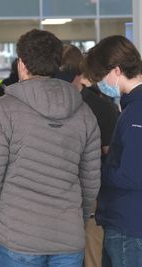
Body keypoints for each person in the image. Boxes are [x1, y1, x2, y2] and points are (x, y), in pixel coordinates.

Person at [0, 29, 102, 267]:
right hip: (68, 239)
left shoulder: (1, 110)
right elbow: (90, 182)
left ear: (22, 64)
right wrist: (74, 223)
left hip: (17, 239)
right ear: (57, 64)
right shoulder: (85, 113)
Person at [83, 35, 142, 267]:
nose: (100, 84)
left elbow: (132, 174)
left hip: (130, 225)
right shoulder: (130, 108)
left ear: (116, 70)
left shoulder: (136, 112)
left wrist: (95, 165)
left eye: (100, 76)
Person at [59, 44, 119, 267]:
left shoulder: (101, 109)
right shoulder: (102, 107)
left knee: (92, 257)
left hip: (92, 203)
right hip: (64, 202)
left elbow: (111, 158)